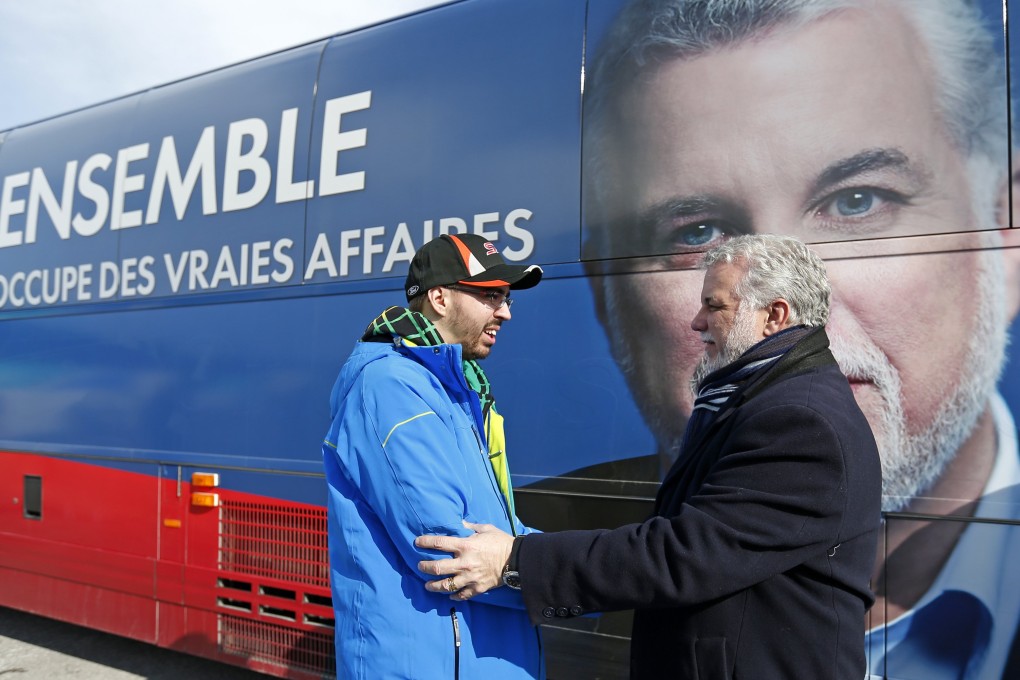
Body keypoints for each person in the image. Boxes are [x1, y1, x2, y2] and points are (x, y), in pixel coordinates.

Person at [575, 0, 1020, 677]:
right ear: (606, 299)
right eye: (698, 234)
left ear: (1004, 232)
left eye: (857, 201)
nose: (782, 303)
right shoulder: (568, 535)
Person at [417, 234, 883, 679]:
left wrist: (516, 561)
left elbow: (685, 555)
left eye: (715, 305)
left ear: (774, 316)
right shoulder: (758, 398)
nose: (698, 321)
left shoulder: (800, 420)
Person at [321, 233, 545, 679]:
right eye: (490, 295)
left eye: (506, 297)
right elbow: (447, 548)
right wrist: (578, 576)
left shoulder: (458, 389)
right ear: (440, 298)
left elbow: (496, 529)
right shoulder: (391, 386)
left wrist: (584, 563)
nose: (505, 310)